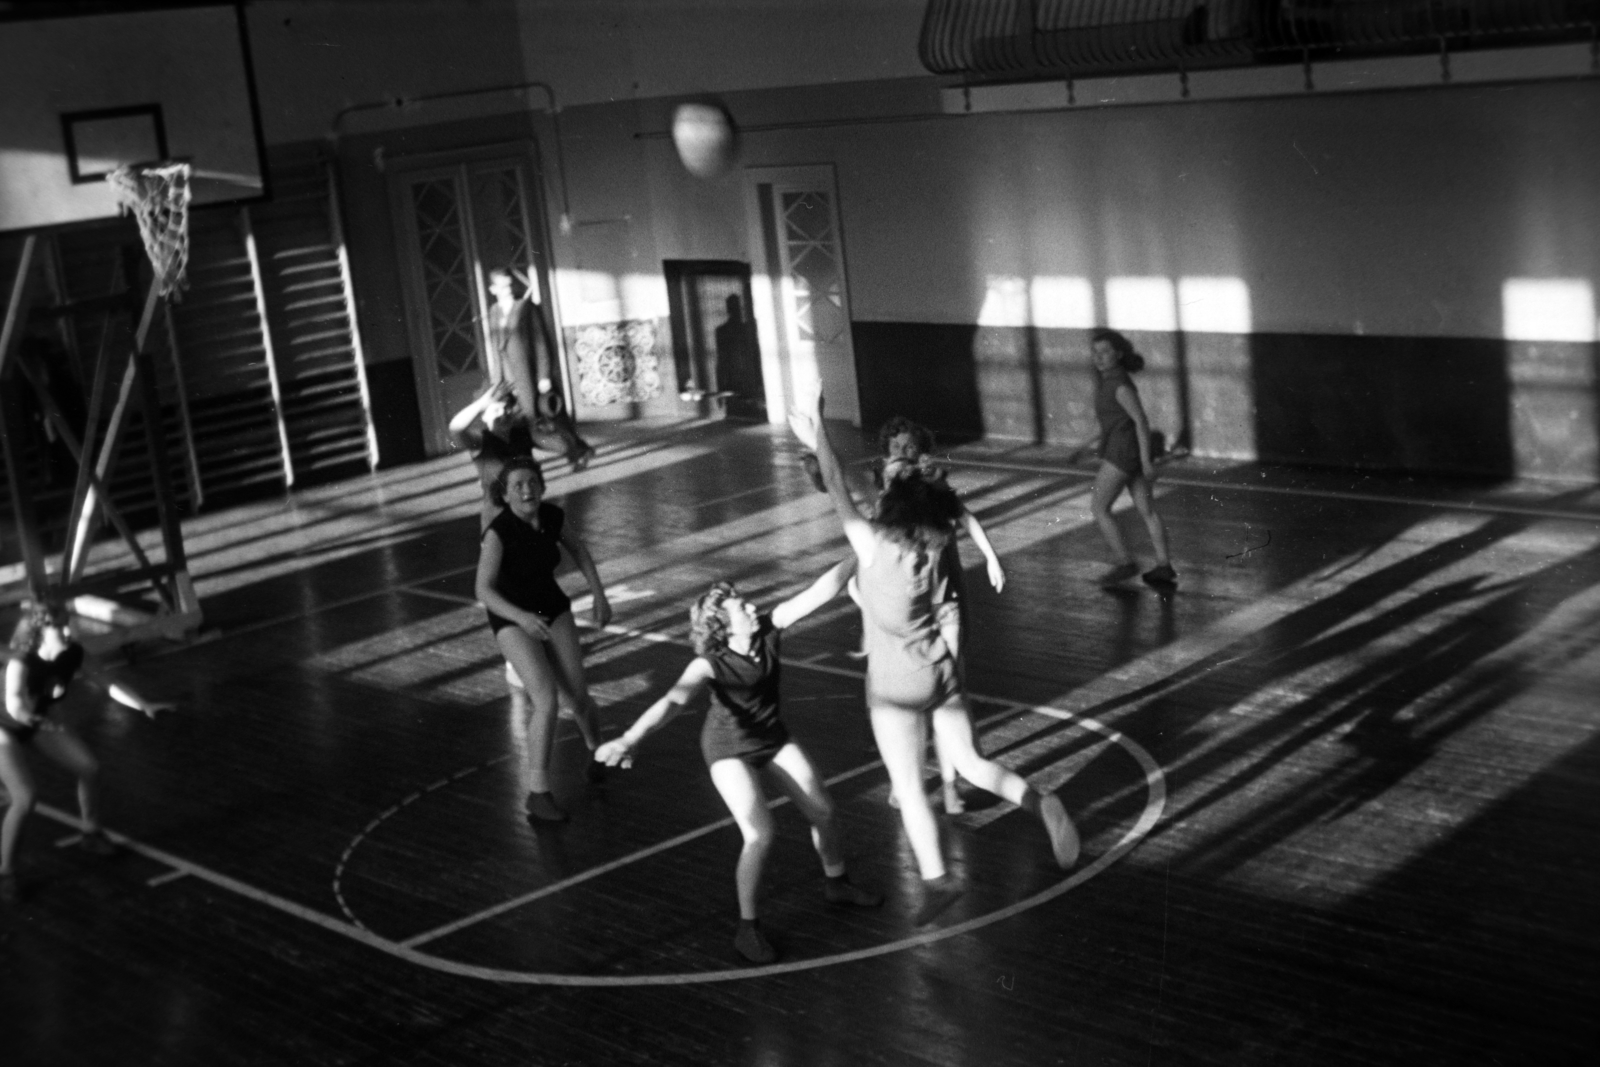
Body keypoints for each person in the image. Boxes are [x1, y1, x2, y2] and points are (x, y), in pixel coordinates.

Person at [789, 391, 1079, 927]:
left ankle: (936, 878)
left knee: (907, 787)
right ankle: (1043, 804)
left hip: (895, 684)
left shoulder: (874, 544)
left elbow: (836, 486)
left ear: (888, 505)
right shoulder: (932, 542)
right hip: (939, 670)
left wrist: (817, 432)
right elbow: (944, 602)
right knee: (971, 763)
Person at [594, 562, 882, 963]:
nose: (751, 608)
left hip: (771, 737)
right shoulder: (708, 664)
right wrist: (630, 738)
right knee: (761, 833)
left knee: (825, 812)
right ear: (724, 629)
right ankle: (748, 929)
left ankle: (837, 882)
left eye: (747, 603)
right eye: (741, 609)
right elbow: (672, 702)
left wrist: (860, 550)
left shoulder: (769, 627)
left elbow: (819, 592)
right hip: (727, 748)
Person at [874, 416, 1006, 816]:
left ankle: (950, 786)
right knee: (908, 706)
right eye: (897, 449)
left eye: (911, 448)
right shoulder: (889, 498)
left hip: (944, 605)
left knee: (949, 694)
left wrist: (991, 558)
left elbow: (966, 517)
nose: (905, 455)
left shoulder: (934, 489)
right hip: (907, 611)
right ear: (887, 454)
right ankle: (906, 780)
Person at [2, 602, 170, 904]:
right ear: (40, 631)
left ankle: (91, 834)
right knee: (25, 797)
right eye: (60, 626)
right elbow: (14, 704)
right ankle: (6, 873)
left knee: (89, 767)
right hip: (5, 729)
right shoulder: (21, 662)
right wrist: (34, 719)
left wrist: (143, 704)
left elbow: (108, 683)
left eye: (69, 623)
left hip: (39, 722)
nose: (69, 630)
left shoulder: (74, 654)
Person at [475, 457, 610, 823]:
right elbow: (483, 589)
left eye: (532, 482)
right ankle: (538, 793)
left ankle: (596, 752)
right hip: (511, 616)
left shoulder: (552, 517)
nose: (526, 490)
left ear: (542, 485)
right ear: (505, 494)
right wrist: (521, 618)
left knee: (578, 695)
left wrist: (599, 595)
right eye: (517, 485)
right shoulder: (498, 533)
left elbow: (579, 550)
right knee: (545, 699)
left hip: (551, 606)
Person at [1088, 328, 1176, 586]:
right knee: (1147, 510)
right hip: (1129, 452)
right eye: (1095, 352)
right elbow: (1114, 422)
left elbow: (1141, 422)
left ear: (1117, 354)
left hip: (1123, 454)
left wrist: (1148, 462)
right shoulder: (1110, 382)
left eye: (1105, 352)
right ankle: (1164, 566)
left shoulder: (1119, 386)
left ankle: (1126, 562)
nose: (1099, 357)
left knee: (1099, 507)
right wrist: (1085, 447)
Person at [485, 268, 594, 472]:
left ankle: (578, 450)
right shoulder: (493, 312)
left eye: (510, 284)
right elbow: (495, 348)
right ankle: (529, 465)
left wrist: (544, 376)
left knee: (540, 422)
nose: (508, 289)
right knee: (516, 425)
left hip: (529, 376)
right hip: (507, 379)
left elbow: (542, 343)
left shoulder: (526, 308)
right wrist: (495, 380)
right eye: (502, 286)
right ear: (493, 289)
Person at [451, 379, 542, 533]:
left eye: (506, 409)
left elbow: (562, 446)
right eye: (495, 410)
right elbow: (455, 428)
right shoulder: (480, 441)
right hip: (497, 520)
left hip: (528, 516)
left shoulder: (522, 435)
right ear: (484, 417)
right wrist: (481, 404)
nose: (503, 415)